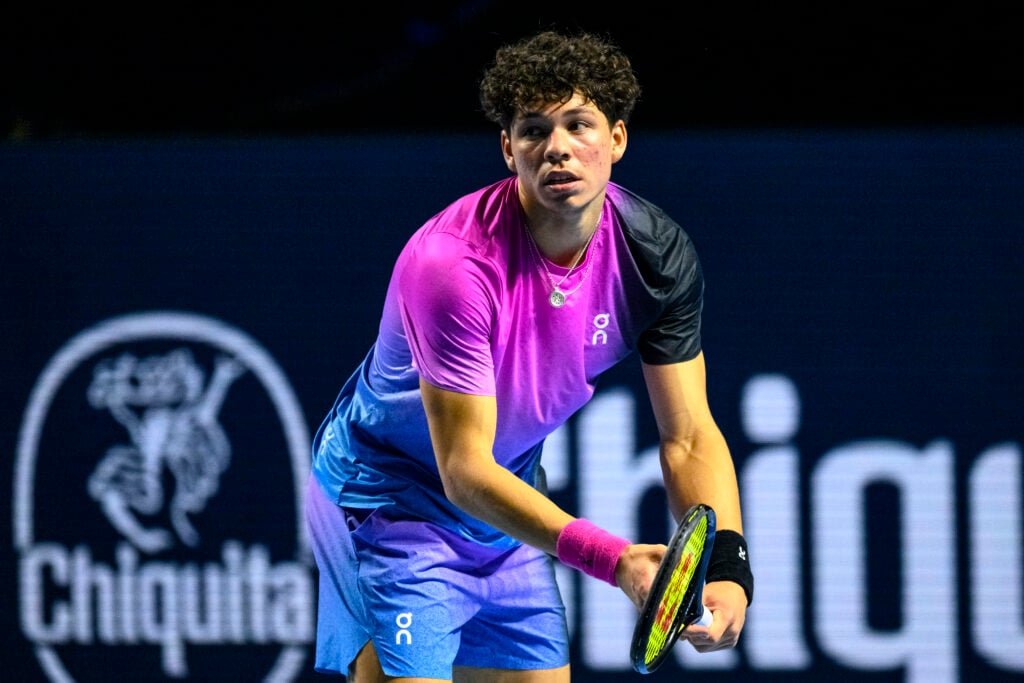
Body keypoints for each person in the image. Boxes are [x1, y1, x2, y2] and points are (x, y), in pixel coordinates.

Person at [305, 29, 753, 682]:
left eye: (579, 125)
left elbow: (687, 436)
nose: (559, 149)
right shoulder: (452, 265)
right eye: (536, 130)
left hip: (502, 515)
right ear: (508, 147)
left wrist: (728, 568)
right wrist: (614, 558)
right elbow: (462, 470)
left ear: (618, 140)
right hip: (387, 503)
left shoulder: (654, 257)